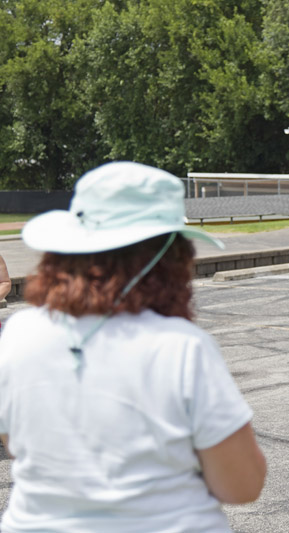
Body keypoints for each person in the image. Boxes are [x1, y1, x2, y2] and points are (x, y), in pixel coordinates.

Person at [0, 162, 267, 532]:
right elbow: (242, 485)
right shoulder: (181, 347)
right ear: (167, 257)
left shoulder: (19, 332)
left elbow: (15, 442)